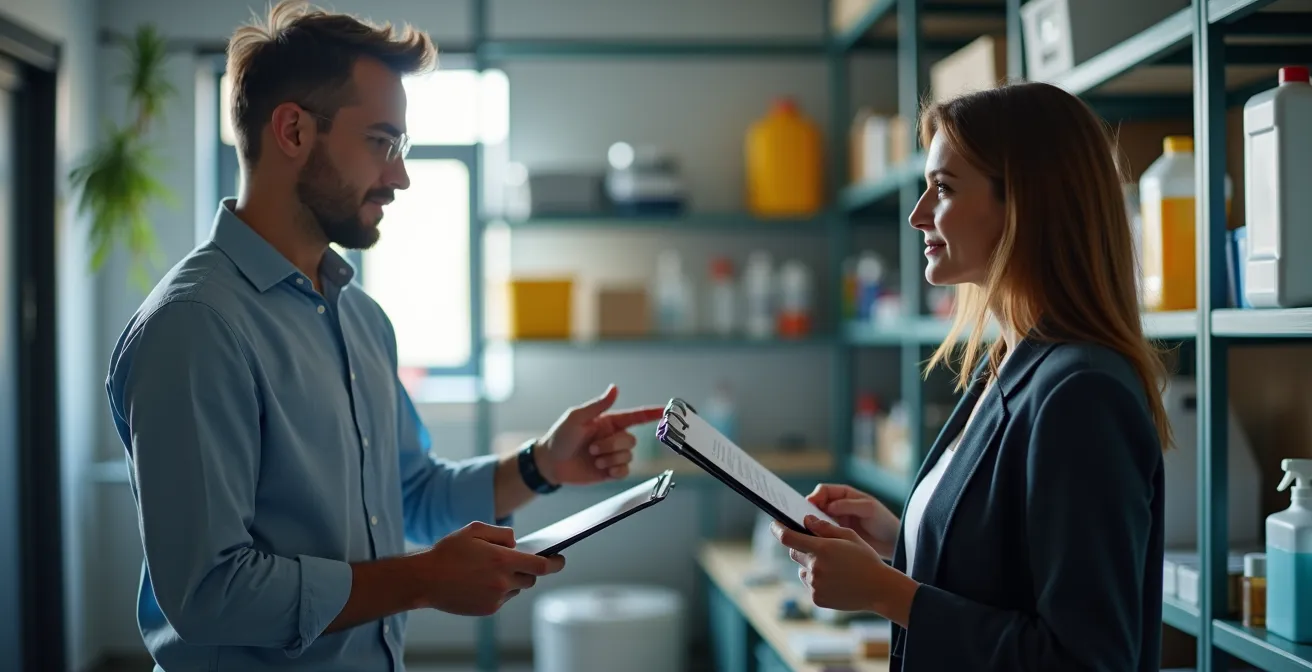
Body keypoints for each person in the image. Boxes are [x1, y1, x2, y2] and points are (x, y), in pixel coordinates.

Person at [104, 2, 663, 670]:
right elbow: (208, 593)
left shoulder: (360, 318)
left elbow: (409, 495)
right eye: (381, 142)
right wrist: (423, 580)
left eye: (401, 148)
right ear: (292, 130)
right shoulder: (196, 326)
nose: (400, 176)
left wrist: (541, 463)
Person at [772, 81, 1171, 671]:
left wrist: (884, 591)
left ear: (1026, 204)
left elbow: (1086, 660)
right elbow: (1013, 567)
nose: (917, 215)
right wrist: (907, 537)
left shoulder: (1083, 393)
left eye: (943, 188)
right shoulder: (1010, 359)